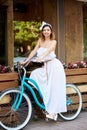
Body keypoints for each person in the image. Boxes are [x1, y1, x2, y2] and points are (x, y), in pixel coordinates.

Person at [21, 21, 67, 121]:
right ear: (42, 32)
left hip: (54, 66)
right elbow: (33, 51)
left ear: (51, 32)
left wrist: (41, 57)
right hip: (45, 67)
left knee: (52, 89)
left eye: (48, 30)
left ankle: (54, 112)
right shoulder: (40, 41)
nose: (46, 31)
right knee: (34, 74)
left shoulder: (54, 41)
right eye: (44, 30)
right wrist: (26, 61)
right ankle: (46, 104)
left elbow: (49, 50)